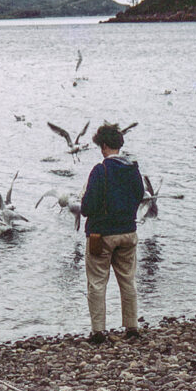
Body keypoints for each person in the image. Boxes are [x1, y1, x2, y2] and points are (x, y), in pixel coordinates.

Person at [80, 123, 145, 344]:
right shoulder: (133, 168)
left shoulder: (100, 171)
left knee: (97, 282)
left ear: (104, 146)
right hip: (128, 232)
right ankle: (132, 327)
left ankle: (99, 331)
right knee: (128, 280)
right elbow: (139, 195)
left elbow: (87, 207)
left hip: (101, 235)